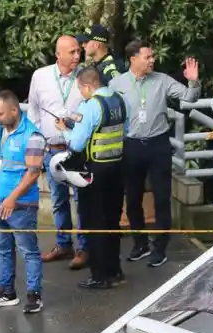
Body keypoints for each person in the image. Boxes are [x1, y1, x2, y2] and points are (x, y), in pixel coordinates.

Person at [110, 40, 200, 268]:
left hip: (158, 145)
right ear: (133, 59)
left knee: (161, 197)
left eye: (152, 56)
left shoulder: (162, 80)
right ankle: (140, 243)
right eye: (147, 57)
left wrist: (193, 81)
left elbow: (189, 98)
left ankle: (160, 247)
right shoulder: (116, 84)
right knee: (132, 198)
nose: (152, 60)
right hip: (130, 145)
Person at [58, 67, 127, 289]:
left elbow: (77, 143)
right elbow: (124, 130)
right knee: (112, 221)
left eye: (80, 89)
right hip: (117, 166)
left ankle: (99, 276)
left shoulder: (91, 106)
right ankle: (115, 271)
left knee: (93, 222)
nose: (81, 93)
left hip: (94, 170)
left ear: (88, 86)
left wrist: (65, 131)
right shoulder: (118, 100)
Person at [0, 89, 46, 314]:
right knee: (2, 248)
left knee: (28, 250)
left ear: (14, 110)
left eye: (0, 114)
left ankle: (34, 294)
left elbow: (33, 172)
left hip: (21, 205)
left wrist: (12, 198)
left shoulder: (33, 136)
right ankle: (7, 291)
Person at [28, 35, 89, 269]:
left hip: (76, 149)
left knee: (81, 199)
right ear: (58, 54)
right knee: (58, 199)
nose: (77, 56)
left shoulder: (84, 77)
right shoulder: (41, 76)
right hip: (51, 149)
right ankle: (64, 244)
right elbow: (33, 109)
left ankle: (84, 248)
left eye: (78, 52)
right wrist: (39, 139)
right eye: (72, 52)